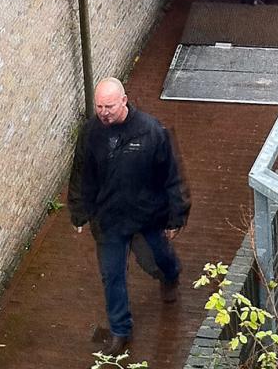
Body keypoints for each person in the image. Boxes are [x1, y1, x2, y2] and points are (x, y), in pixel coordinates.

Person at [67, 77, 191, 356]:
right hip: (109, 219)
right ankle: (120, 330)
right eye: (99, 106)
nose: (103, 112)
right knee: (112, 275)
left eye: (109, 106)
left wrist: (175, 216)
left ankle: (171, 275)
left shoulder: (151, 132)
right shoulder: (91, 133)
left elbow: (171, 175)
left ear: (124, 100)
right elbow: (81, 174)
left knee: (159, 257)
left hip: (146, 216)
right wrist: (79, 210)